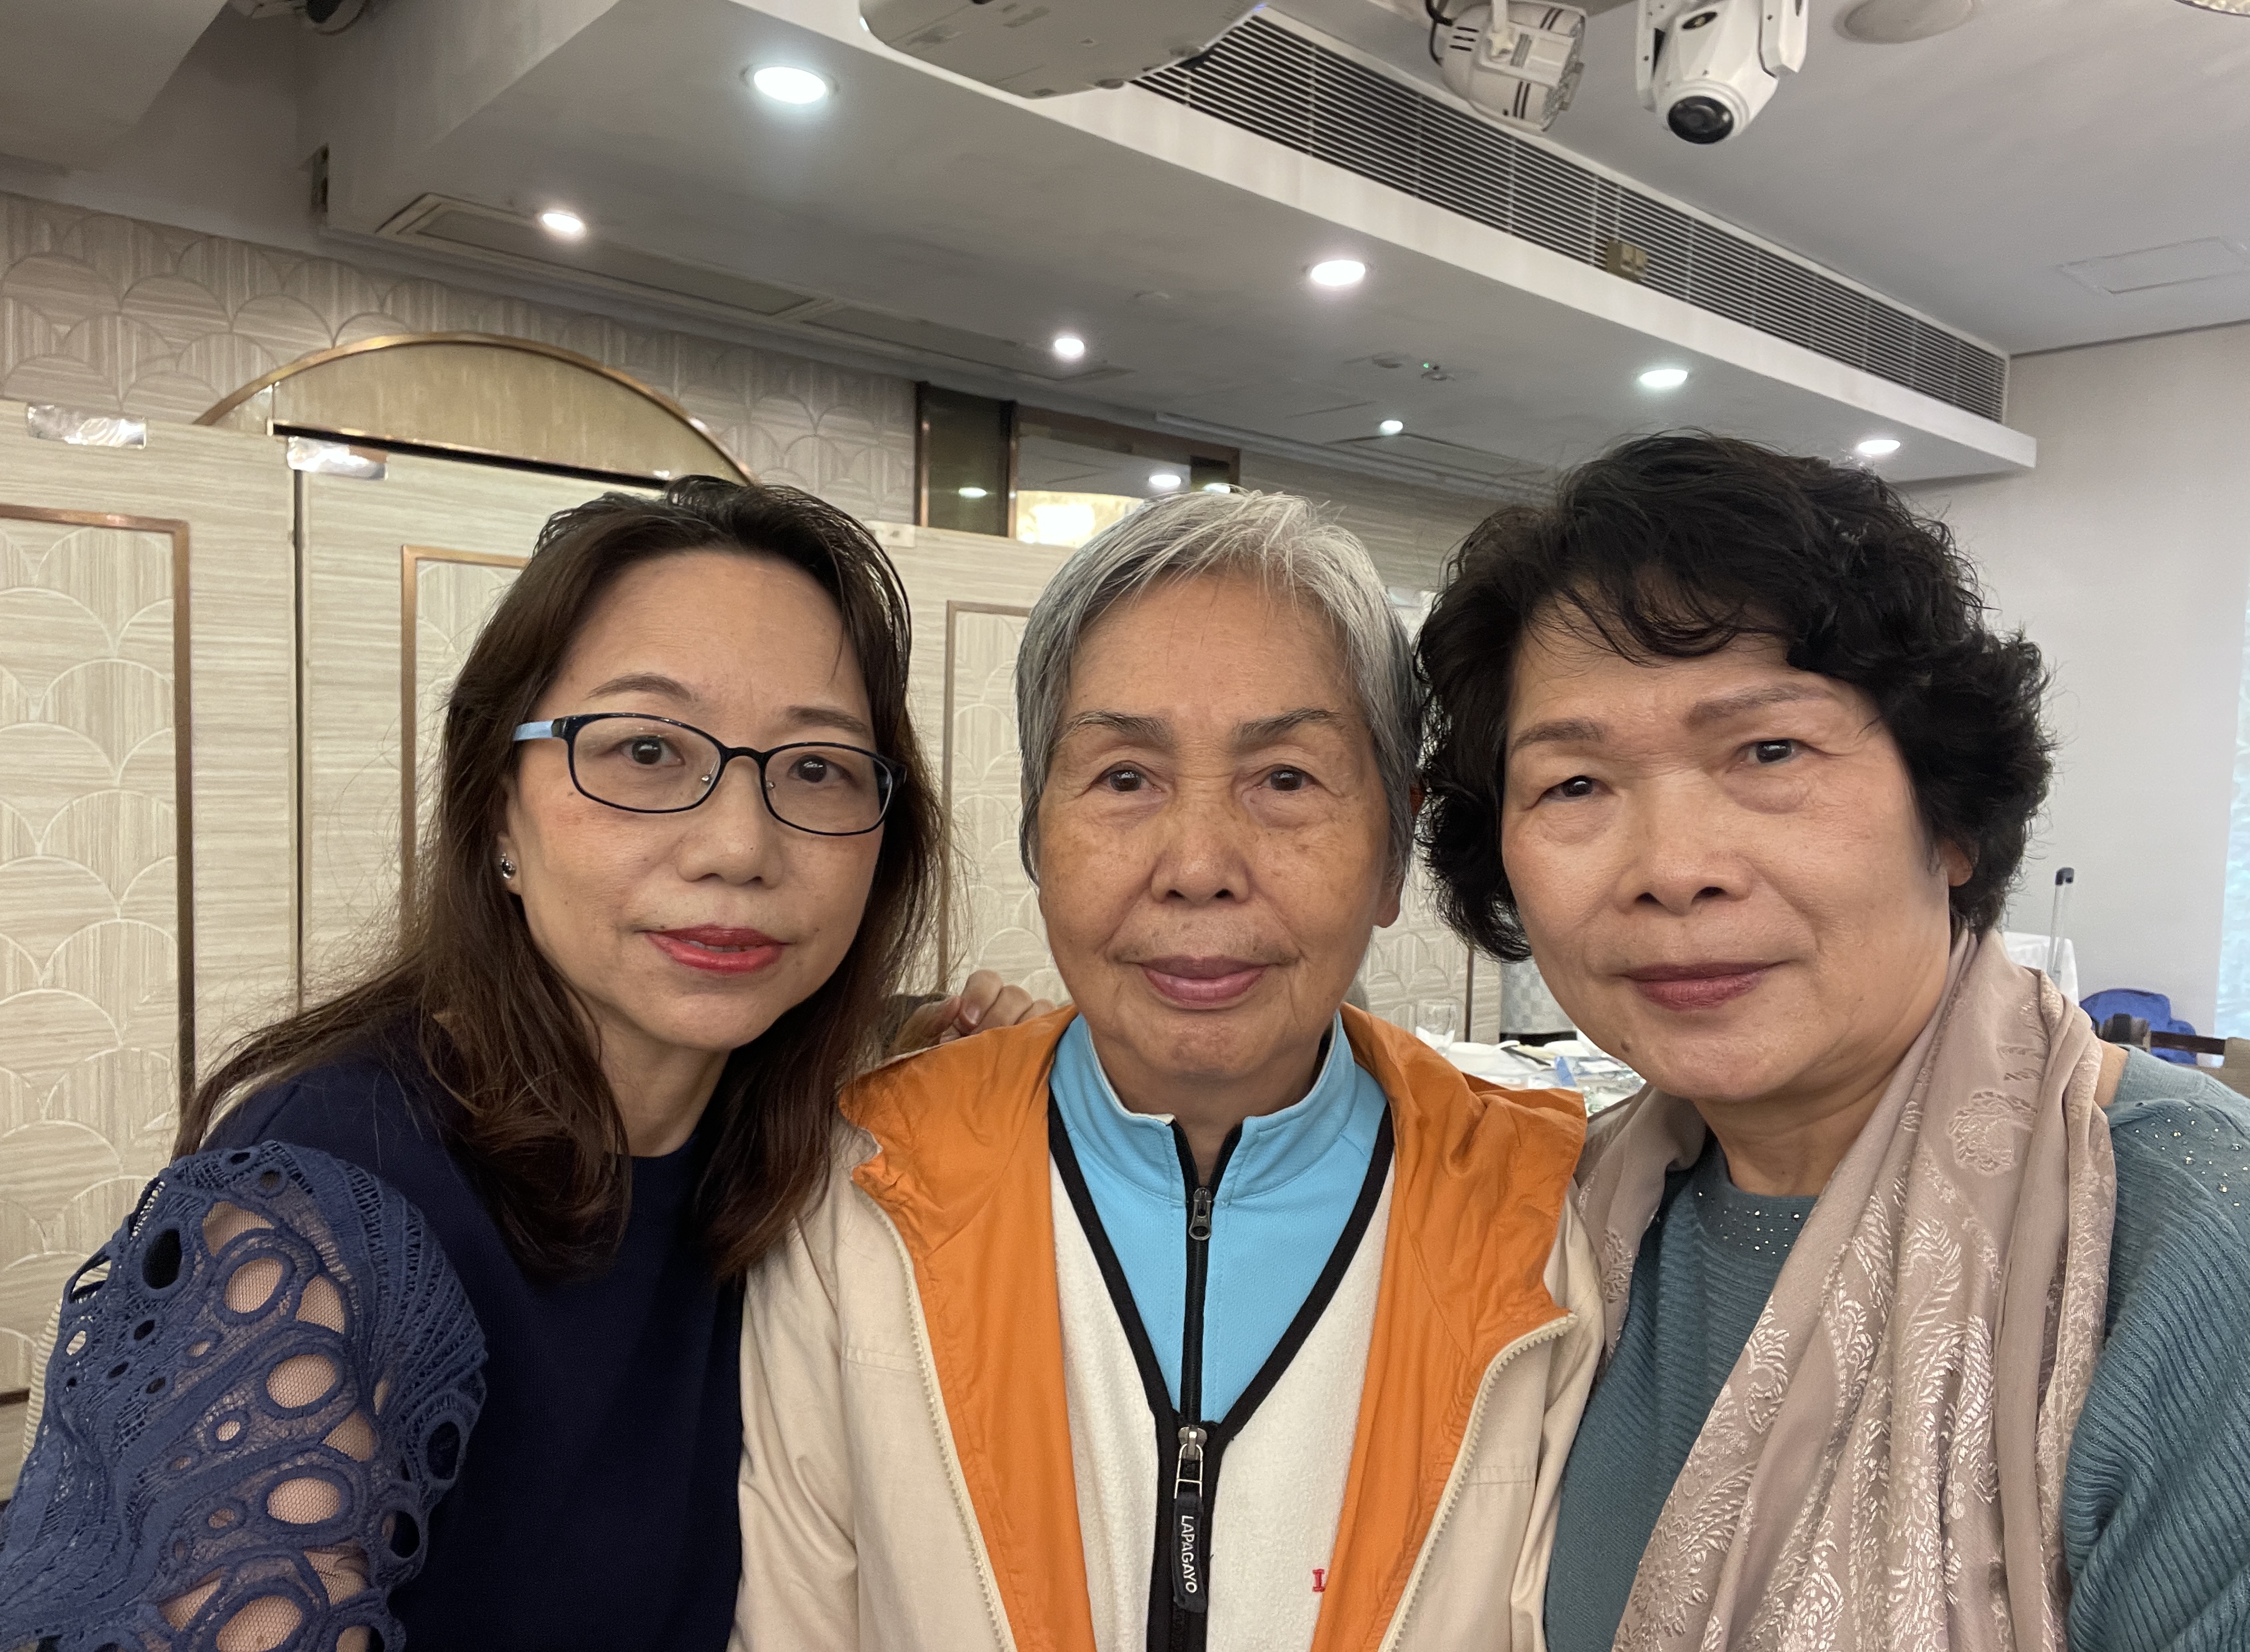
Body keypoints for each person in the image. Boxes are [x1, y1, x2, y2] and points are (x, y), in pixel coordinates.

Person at [0, 478, 1026, 1651]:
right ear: (498, 813)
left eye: (816, 769)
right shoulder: (324, 1208)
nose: (741, 846)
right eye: (646, 750)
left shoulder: (773, 1136)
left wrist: (969, 1062)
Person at [1416, 433, 2250, 1651]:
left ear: (1949, 819)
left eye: (1770, 751)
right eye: (1576, 785)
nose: (1672, 870)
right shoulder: (1562, 1221)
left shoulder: (2185, 1249)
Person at [735, 491, 1602, 1652]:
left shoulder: (1541, 1219)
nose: (1198, 866)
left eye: (1285, 778)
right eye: (1125, 778)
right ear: (1037, 830)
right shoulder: (858, 1195)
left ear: (1395, 848)